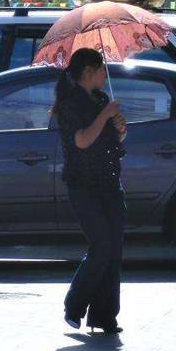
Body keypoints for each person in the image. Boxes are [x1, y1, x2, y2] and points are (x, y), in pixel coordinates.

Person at [54, 48, 128, 335]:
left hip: (110, 183)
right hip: (83, 186)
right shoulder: (70, 104)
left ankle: (105, 315)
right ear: (88, 71)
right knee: (101, 247)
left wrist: (119, 127)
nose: (104, 75)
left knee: (114, 250)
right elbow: (82, 141)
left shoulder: (101, 99)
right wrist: (105, 115)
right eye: (101, 69)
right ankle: (74, 304)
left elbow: (111, 138)